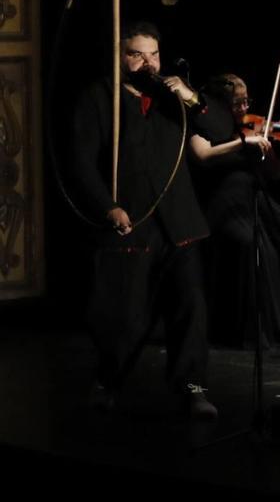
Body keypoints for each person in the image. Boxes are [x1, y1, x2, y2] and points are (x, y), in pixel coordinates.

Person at [70, 21, 216, 419]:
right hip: (132, 221)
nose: (147, 63)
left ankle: (193, 388)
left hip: (180, 223)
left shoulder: (174, 100)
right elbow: (82, 162)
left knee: (190, 310)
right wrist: (108, 205)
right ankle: (108, 380)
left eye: (153, 54)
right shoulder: (100, 98)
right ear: (119, 55)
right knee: (126, 314)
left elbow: (217, 127)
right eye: (136, 54)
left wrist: (189, 95)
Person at [188, 74, 280, 347]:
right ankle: (252, 332)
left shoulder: (254, 130)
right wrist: (242, 142)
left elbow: (275, 172)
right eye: (237, 103)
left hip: (256, 201)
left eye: (246, 101)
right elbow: (202, 156)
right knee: (255, 248)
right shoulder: (201, 125)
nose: (244, 109)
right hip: (222, 204)